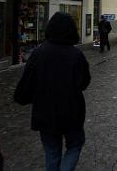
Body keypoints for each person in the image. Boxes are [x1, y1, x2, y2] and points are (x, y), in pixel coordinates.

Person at [14, 12, 91, 171]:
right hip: (71, 110)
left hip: (45, 111)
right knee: (75, 145)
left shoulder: (38, 53)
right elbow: (84, 82)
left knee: (51, 151)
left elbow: (26, 85)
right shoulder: (76, 54)